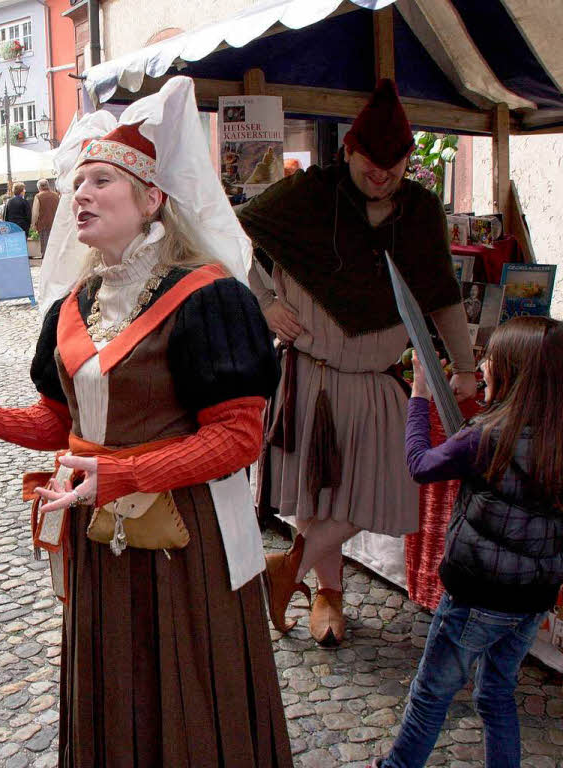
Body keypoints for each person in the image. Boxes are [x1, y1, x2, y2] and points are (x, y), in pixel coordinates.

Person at [0, 77, 291, 767]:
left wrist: (121, 473)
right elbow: (63, 420)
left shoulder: (208, 296)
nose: (81, 195)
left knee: (189, 677)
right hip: (100, 533)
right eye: (77, 183)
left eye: (101, 180)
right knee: (116, 677)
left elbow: (239, 437)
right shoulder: (76, 303)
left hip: (189, 541)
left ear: (151, 199)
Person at [237, 79, 477, 647]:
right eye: (373, 163)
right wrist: (265, 302)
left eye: (395, 166)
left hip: (377, 383)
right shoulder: (305, 194)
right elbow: (229, 239)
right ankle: (329, 594)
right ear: (348, 149)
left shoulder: (419, 212)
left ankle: (286, 571)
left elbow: (443, 297)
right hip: (311, 377)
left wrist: (464, 369)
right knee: (320, 496)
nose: (382, 175)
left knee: (384, 491)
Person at [373, 317, 563, 768]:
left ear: (515, 372)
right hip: (533, 598)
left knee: (430, 694)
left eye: (492, 357)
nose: (483, 364)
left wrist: (419, 395)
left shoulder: (486, 437)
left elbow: (420, 464)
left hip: (478, 596)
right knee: (496, 694)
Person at [30, 178, 61, 258]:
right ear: (48, 186)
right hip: (56, 224)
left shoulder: (38, 196)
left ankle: (47, 265)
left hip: (44, 225)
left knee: (45, 247)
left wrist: (33, 224)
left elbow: (35, 213)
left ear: (39, 187)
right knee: (55, 247)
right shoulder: (56, 195)